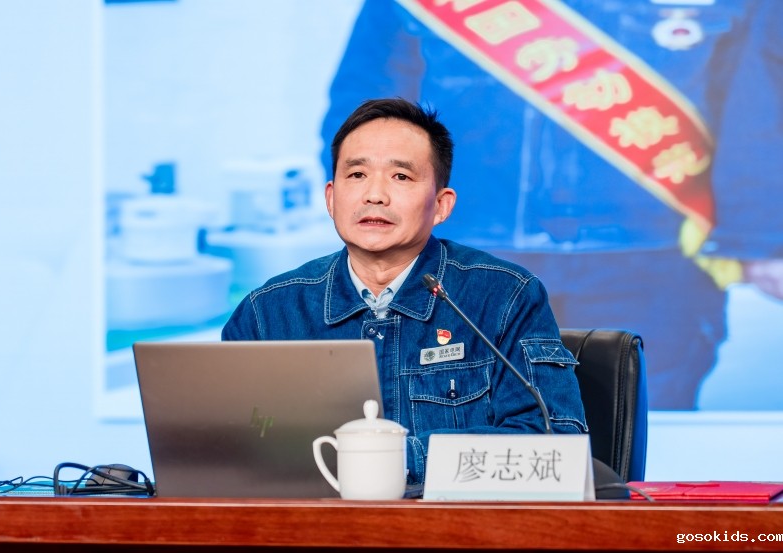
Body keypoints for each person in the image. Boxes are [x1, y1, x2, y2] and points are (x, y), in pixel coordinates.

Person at [320, 0, 783, 410]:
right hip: (464, 259)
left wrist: (758, 237)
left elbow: (758, 104)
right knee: (452, 435)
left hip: (651, 261)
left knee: (634, 444)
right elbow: (366, 109)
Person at [222, 98, 587, 486]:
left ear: (441, 205)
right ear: (331, 198)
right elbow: (225, 451)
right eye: (357, 174)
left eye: (400, 176)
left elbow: (555, 442)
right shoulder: (268, 311)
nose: (375, 195)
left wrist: (386, 459)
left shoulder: (504, 297)